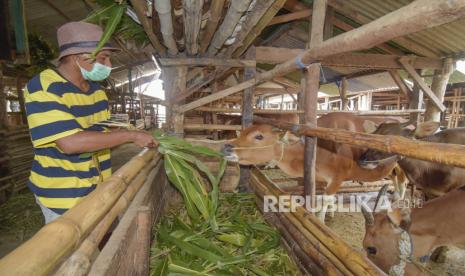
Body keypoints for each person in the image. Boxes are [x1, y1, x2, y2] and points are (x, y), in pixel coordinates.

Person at [23, 21, 158, 224]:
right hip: (62, 194)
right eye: (103, 58)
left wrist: (129, 131)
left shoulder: (96, 92)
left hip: (98, 185)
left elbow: (101, 131)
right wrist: (131, 135)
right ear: (78, 57)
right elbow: (70, 143)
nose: (109, 65)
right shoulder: (44, 87)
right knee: (67, 250)